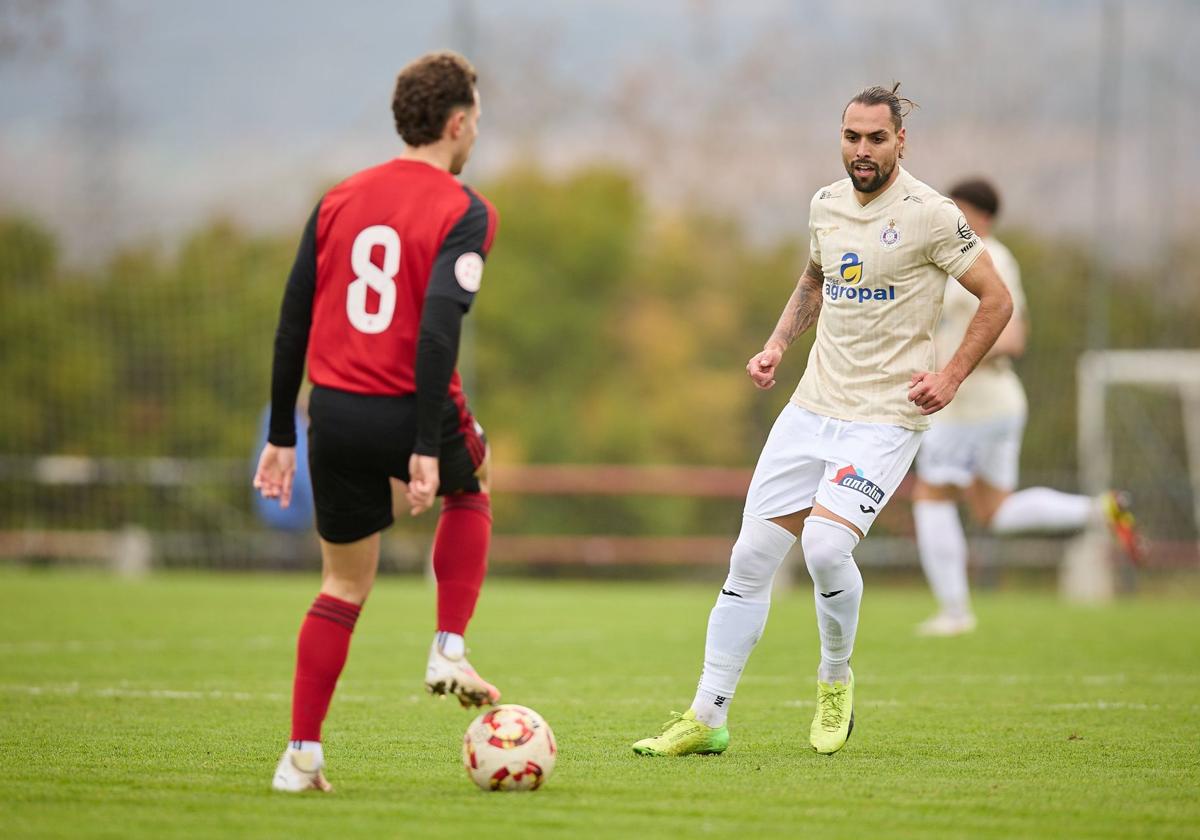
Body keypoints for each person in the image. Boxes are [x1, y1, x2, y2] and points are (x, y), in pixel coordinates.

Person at [631, 84, 1014, 758]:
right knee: (750, 557)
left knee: (827, 550)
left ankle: (835, 680)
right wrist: (778, 344)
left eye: (875, 138)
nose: (861, 151)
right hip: (812, 408)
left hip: (885, 419)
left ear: (901, 141)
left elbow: (997, 299)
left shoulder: (931, 214)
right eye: (851, 137)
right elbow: (814, 280)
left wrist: (950, 376)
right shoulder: (826, 204)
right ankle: (707, 715)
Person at [253, 51, 501, 793]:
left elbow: (292, 321)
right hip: (405, 405)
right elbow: (435, 334)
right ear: (457, 124)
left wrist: (279, 434)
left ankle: (301, 759)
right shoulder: (466, 209)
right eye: (478, 120)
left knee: (341, 584)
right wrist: (425, 445)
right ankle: (448, 646)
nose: (477, 132)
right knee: (475, 481)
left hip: (329, 413)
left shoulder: (338, 199)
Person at [911, 178, 1140, 637]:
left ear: (982, 218)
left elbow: (1012, 336)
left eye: (957, 211)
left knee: (930, 497)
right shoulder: (960, 255)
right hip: (999, 404)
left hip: (968, 405)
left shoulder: (989, 256)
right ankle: (1098, 510)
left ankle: (955, 613)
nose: (949, 218)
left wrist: (953, 365)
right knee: (993, 511)